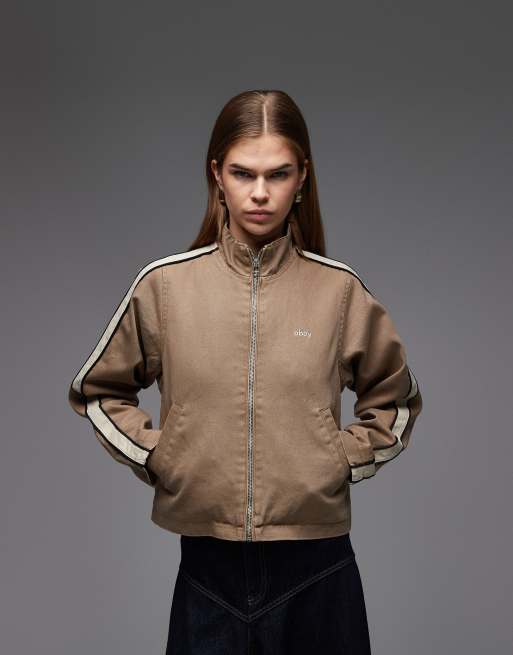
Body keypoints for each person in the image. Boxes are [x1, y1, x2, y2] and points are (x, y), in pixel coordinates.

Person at [68, 89, 423, 654]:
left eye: (278, 174)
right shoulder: (165, 287)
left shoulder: (338, 292)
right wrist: (161, 454)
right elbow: (97, 391)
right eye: (243, 173)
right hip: (207, 574)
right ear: (217, 175)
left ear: (302, 178)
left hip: (319, 570)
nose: (260, 192)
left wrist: (337, 459)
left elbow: (396, 401)